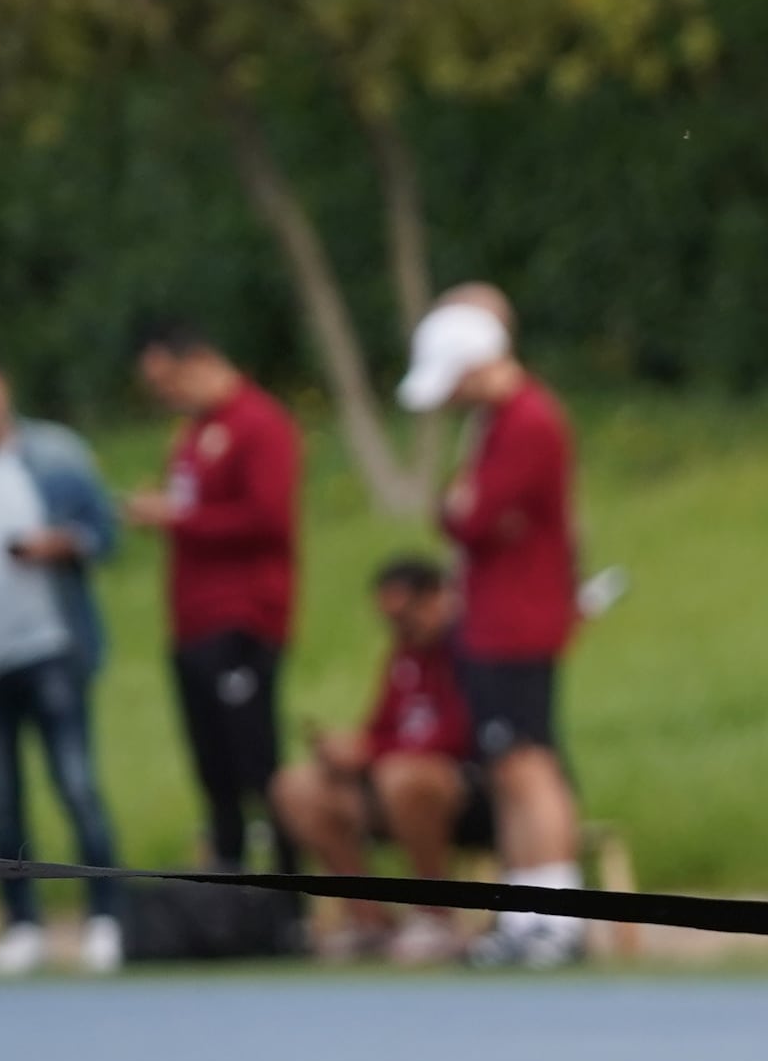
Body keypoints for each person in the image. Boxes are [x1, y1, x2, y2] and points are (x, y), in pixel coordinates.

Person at [401, 285, 591, 967]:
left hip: (517, 619)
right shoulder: (498, 420)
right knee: (507, 767)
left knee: (530, 764)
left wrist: (458, 507)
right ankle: (525, 909)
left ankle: (558, 916)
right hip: (490, 618)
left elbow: (471, 516)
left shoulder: (526, 420)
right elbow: (463, 510)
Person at [0, 356, 128, 976]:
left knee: (76, 782)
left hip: (51, 645)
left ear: (2, 391)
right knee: (2, 797)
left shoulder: (56, 453)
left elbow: (105, 532)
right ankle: (21, 922)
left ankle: (106, 916)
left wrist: (61, 544)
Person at [131, 322, 305, 873]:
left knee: (255, 756)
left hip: (242, 615)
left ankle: (286, 892)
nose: (165, 397)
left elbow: (268, 518)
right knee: (213, 764)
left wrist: (178, 519)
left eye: (169, 382)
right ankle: (229, 885)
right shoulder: (193, 434)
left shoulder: (259, 424)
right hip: (193, 620)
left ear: (201, 361)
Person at [269, 556, 491, 967]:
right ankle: (369, 921)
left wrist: (372, 752)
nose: (398, 629)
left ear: (438, 600)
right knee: (297, 786)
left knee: (402, 777)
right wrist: (350, 747)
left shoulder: (471, 647)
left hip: (468, 788)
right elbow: (385, 726)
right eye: (389, 620)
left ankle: (435, 915)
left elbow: (462, 733)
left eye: (405, 616)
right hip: (391, 781)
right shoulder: (404, 656)